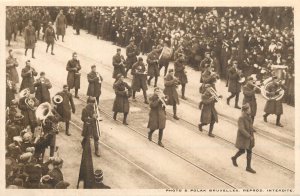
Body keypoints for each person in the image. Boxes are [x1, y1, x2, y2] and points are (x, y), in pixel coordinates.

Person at [231, 103, 256, 174]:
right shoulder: (241, 118)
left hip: (248, 137)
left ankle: (248, 167)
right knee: (242, 151)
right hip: (243, 138)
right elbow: (241, 129)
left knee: (249, 151)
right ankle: (234, 158)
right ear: (245, 110)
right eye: (249, 109)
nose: (250, 110)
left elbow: (249, 126)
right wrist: (249, 136)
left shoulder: (249, 117)